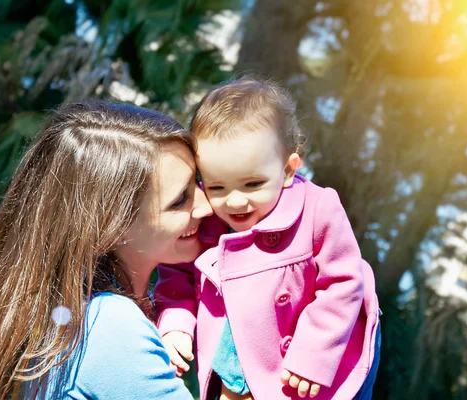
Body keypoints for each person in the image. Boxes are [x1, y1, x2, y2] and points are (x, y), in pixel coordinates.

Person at [0, 101, 213, 399]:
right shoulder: (108, 325)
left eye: (199, 183)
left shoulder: (63, 313)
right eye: (179, 201)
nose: (207, 205)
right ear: (111, 223)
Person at [156, 79, 381, 400]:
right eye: (217, 187)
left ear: (288, 170)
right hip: (232, 359)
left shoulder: (316, 208)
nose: (234, 201)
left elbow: (343, 282)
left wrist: (314, 353)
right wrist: (176, 323)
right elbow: (177, 273)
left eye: (252, 184)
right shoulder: (205, 216)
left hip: (304, 363)